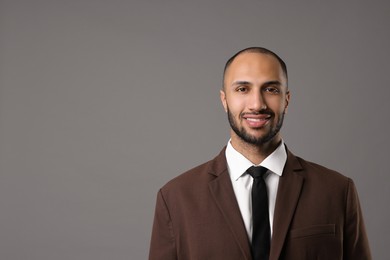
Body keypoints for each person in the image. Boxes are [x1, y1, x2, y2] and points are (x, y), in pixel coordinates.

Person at [148, 47, 371, 260]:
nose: (257, 104)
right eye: (242, 89)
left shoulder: (338, 191)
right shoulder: (176, 198)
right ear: (225, 100)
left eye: (271, 89)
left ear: (286, 99)